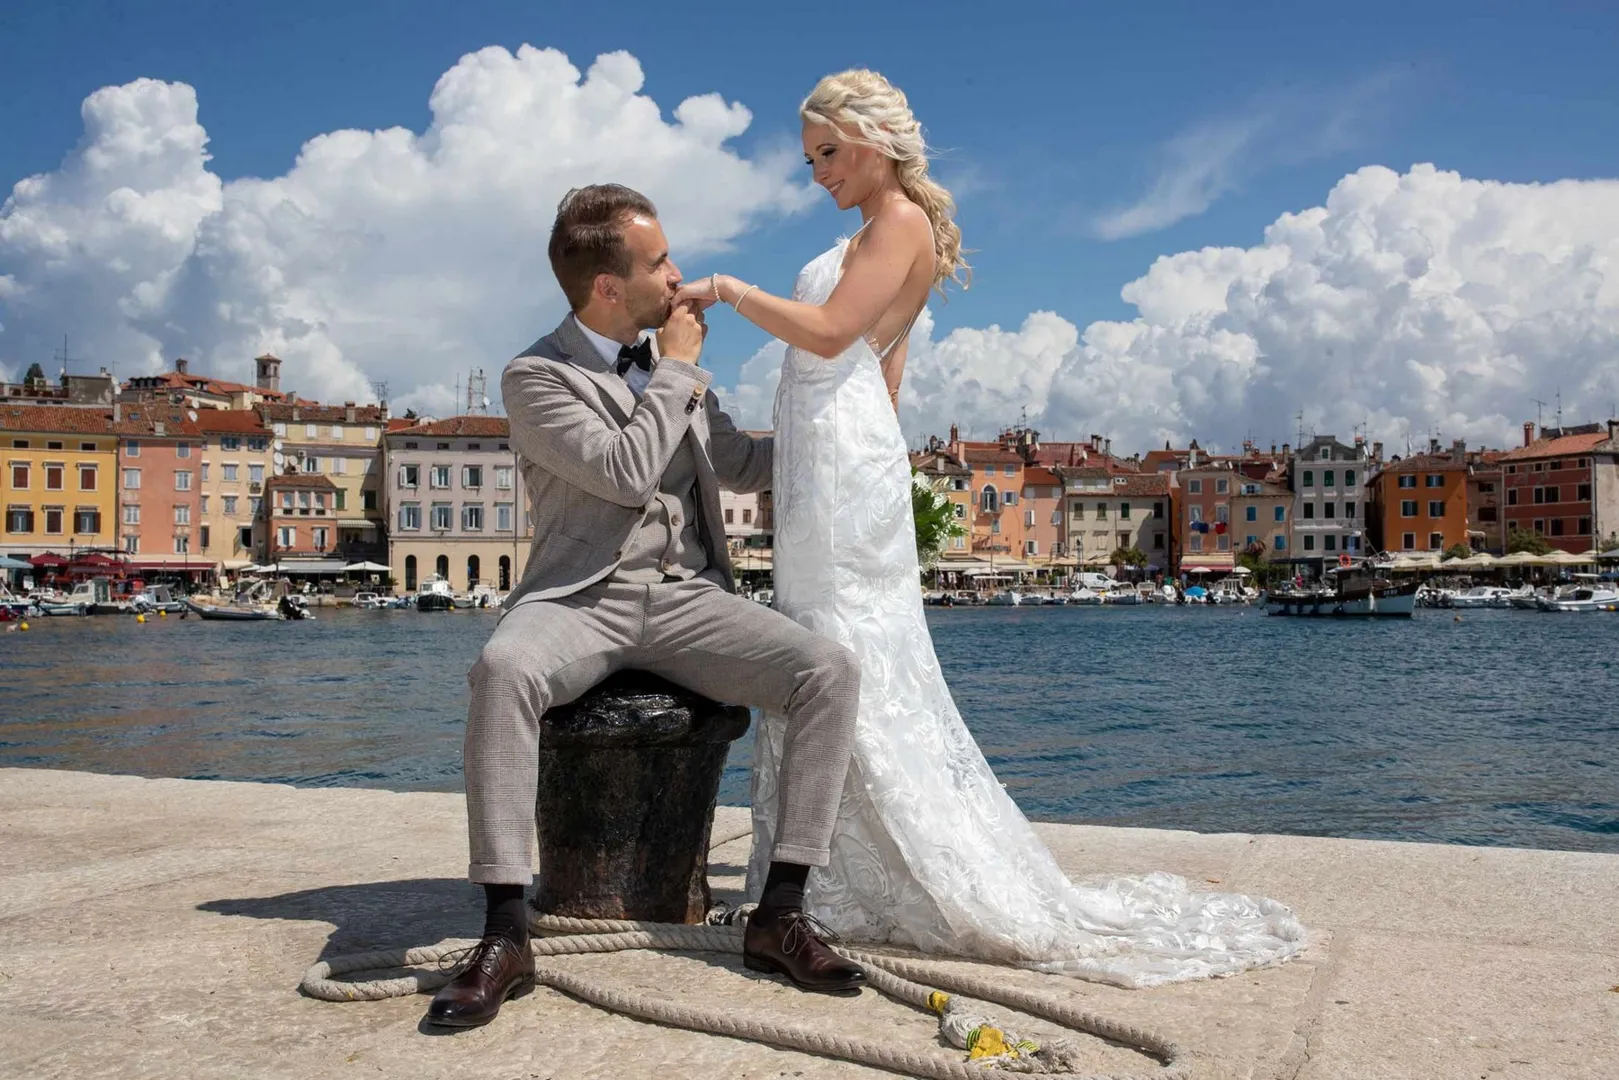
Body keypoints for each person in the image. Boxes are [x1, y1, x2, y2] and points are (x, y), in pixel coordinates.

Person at [676, 70, 1305, 988]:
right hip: (834, 449)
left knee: (842, 641)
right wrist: (822, 446)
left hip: (839, 453)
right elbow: (886, 377)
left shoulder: (898, 224)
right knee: (826, 639)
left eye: (828, 152)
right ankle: (824, 872)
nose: (817, 172)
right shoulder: (883, 230)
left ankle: (831, 875)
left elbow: (831, 333)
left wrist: (731, 289)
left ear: (876, 143)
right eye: (809, 159)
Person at [430, 184, 868, 1030]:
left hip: (686, 598)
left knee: (827, 671)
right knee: (502, 670)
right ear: (607, 286)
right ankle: (504, 932)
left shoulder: (669, 369)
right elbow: (625, 473)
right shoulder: (535, 376)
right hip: (581, 597)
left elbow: (739, 463)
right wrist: (677, 369)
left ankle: (780, 913)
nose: (677, 274)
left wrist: (850, 425)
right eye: (660, 261)